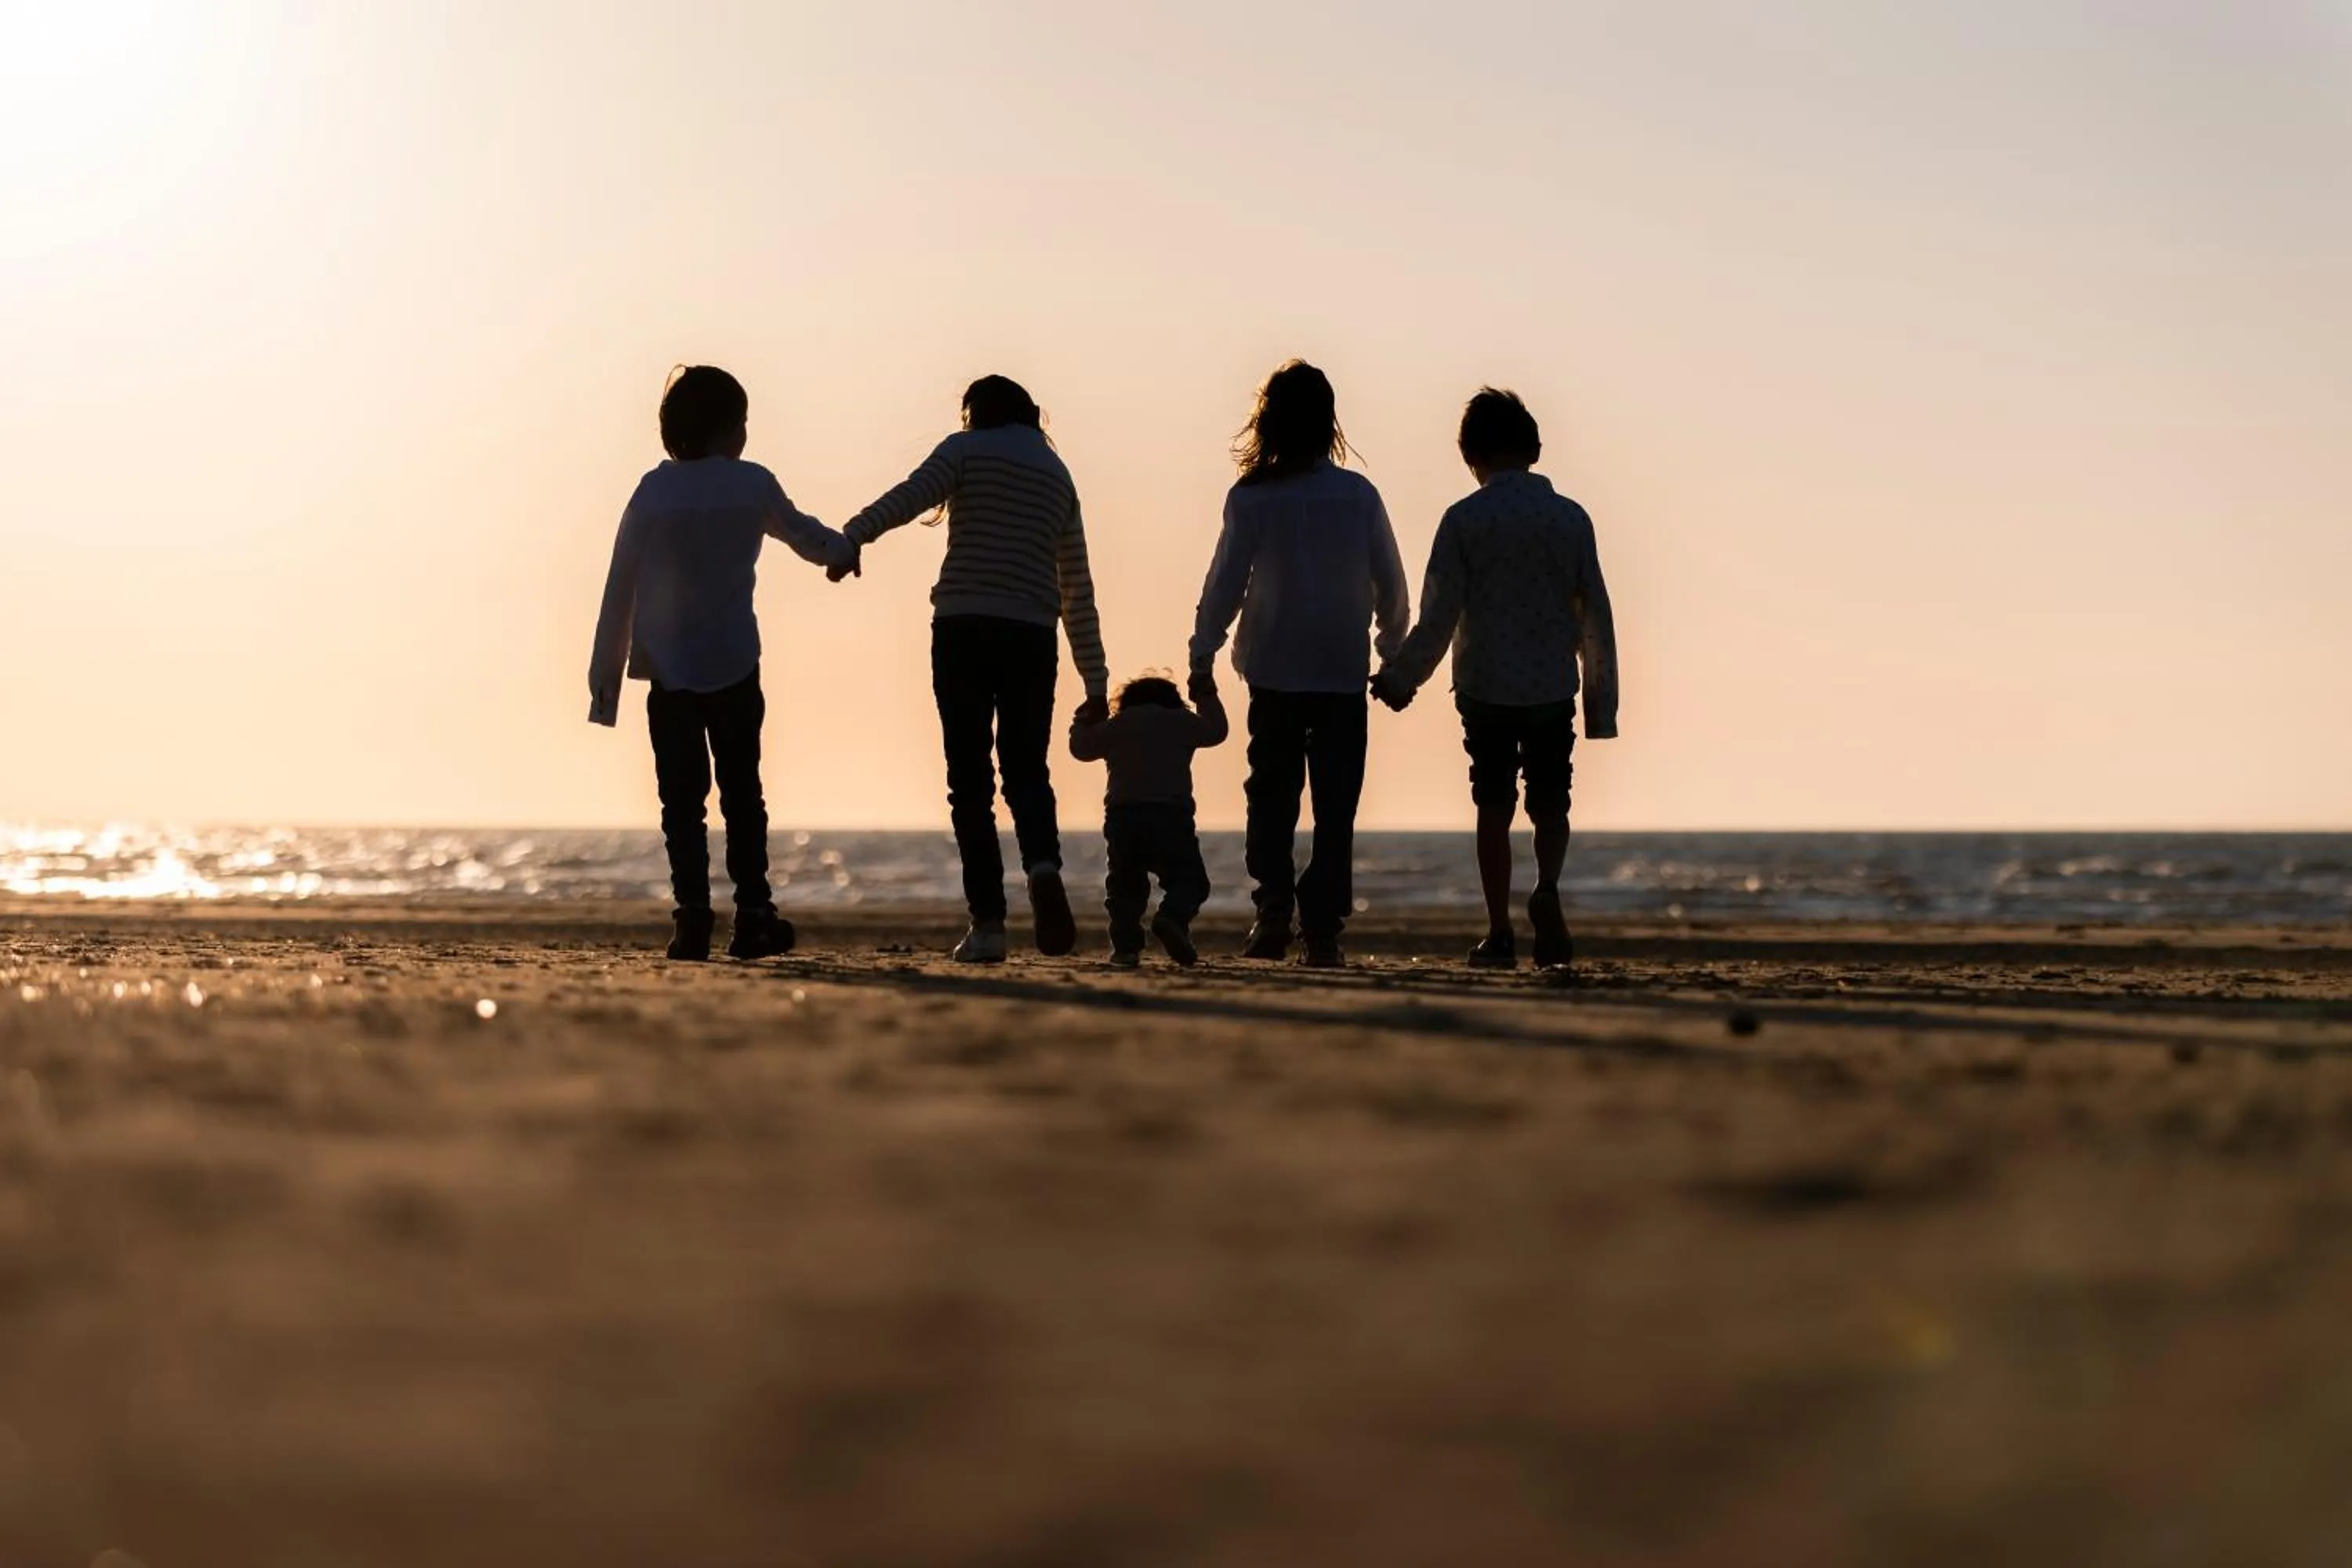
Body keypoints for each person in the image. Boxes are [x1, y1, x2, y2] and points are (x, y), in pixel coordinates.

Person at [587, 365, 855, 962]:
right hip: (734, 660)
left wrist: (605, 687)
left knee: (681, 801)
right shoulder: (751, 484)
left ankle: (692, 920)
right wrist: (842, 551)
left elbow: (619, 588)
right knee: (742, 793)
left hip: (669, 671)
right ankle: (754, 915)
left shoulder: (654, 492)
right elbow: (803, 534)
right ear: (729, 427)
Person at [838, 376, 1109, 964]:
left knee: (970, 780)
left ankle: (988, 925)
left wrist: (854, 535)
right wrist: (1096, 682)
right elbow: (1077, 588)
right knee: (1026, 771)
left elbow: (909, 497)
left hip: (963, 625)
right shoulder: (1057, 476)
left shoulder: (964, 450)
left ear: (976, 414)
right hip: (1032, 635)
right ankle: (1042, 867)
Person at [1372, 388, 1619, 969]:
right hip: (1551, 685)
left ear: (1470, 454)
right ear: (1533, 446)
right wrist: (1600, 703)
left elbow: (1439, 613)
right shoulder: (1569, 518)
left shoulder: (1464, 520)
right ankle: (1548, 888)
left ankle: (1499, 929)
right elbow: (1595, 614)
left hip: (1486, 686)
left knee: (1493, 805)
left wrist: (1402, 679)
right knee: (1552, 802)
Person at [1189, 361, 1409, 968]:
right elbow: (1391, 583)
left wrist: (1202, 651)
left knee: (1271, 798)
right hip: (1339, 671)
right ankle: (1322, 930)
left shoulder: (1252, 497)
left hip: (1275, 669)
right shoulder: (1358, 495)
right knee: (1335, 806)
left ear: (1269, 422)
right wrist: (1393, 655)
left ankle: (1273, 911)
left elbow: (1225, 582)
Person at [1069, 670, 1229, 967]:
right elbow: (1217, 731)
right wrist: (1207, 696)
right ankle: (1172, 917)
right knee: (1189, 880)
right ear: (1173, 700)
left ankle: (1126, 948)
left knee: (1125, 886)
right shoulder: (1182, 722)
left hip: (1123, 816)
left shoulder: (1117, 725)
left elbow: (1081, 748)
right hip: (1171, 815)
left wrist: (1084, 719)